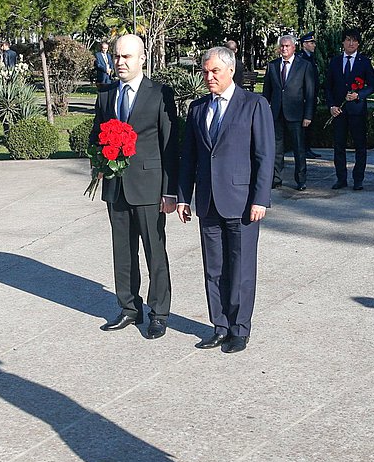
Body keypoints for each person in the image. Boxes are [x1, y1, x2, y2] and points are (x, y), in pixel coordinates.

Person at [177, 47, 275, 354]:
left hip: (242, 201)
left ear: (230, 71)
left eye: (214, 71)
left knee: (241, 268)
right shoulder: (197, 108)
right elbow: (188, 157)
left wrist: (260, 199)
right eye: (205, 71)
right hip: (207, 202)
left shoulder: (254, 104)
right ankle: (219, 325)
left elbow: (264, 155)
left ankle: (239, 329)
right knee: (214, 268)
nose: (209, 77)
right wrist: (183, 197)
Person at [92, 35, 180, 338]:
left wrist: (170, 191)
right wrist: (100, 165)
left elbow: (170, 145)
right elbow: (96, 138)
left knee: (155, 252)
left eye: (127, 57)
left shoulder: (160, 94)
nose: (120, 62)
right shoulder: (106, 96)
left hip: (149, 186)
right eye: (116, 56)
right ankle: (129, 308)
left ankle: (159, 313)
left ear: (142, 59)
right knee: (123, 251)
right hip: (116, 188)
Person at [262, 34, 317, 190]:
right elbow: (267, 92)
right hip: (276, 113)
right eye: (282, 46)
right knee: (276, 148)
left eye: (287, 46)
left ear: (294, 47)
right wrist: (265, 112)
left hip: (296, 114)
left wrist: (308, 115)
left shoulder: (304, 65)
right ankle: (276, 178)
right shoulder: (272, 66)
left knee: (299, 148)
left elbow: (310, 93)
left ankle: (301, 179)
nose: (284, 49)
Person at [326, 28, 374, 189]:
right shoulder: (334, 61)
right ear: (343, 42)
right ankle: (341, 178)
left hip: (357, 110)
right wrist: (332, 105)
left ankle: (358, 179)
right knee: (339, 146)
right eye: (348, 40)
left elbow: (373, 85)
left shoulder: (364, 62)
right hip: (339, 111)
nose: (351, 43)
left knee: (360, 146)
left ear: (358, 43)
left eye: (354, 40)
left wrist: (359, 95)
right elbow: (328, 86)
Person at [298, 32, 323, 159]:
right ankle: (303, 148)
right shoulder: (301, 58)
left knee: (309, 124)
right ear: (304, 44)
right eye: (311, 43)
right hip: (303, 97)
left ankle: (307, 148)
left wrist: (315, 95)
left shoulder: (311, 58)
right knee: (304, 124)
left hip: (311, 96)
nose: (314, 45)